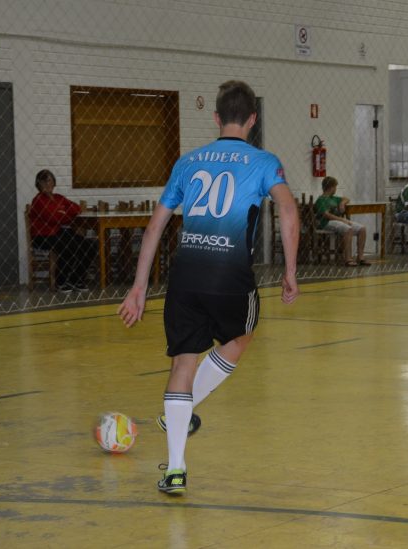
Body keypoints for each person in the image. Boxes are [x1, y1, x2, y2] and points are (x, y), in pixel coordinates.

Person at [118, 80, 300, 496]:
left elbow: (155, 226)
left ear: (216, 118)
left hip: (186, 275)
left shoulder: (188, 162)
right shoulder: (263, 161)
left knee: (182, 363)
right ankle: (185, 409)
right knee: (241, 336)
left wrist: (139, 286)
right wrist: (290, 269)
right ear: (252, 120)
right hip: (229, 274)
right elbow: (288, 209)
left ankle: (175, 468)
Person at [28, 170, 96, 292]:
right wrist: (64, 214)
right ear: (39, 184)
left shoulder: (59, 198)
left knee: (90, 245)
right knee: (68, 246)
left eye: (50, 181)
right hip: (43, 236)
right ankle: (61, 281)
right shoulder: (38, 200)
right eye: (44, 181)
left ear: (54, 183)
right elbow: (53, 218)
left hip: (59, 232)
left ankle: (76, 280)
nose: (47, 184)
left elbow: (77, 208)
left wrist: (62, 214)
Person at [315, 176, 368, 266]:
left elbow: (346, 199)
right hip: (326, 222)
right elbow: (327, 215)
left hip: (339, 221)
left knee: (362, 229)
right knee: (348, 229)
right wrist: (342, 220)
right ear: (331, 187)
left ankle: (360, 257)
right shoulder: (321, 200)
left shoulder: (334, 198)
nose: (336, 189)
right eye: (335, 187)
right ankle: (348, 259)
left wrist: (342, 203)